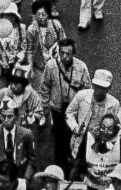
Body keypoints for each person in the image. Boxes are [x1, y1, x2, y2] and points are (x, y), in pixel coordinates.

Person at [39, 37, 91, 168]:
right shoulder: (51, 66)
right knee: (59, 137)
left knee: (75, 135)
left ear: (74, 53)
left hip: (74, 110)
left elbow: (87, 89)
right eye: (62, 53)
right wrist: (45, 106)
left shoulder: (81, 67)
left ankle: (74, 162)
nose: (64, 57)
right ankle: (60, 165)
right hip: (57, 109)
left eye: (68, 53)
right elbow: (44, 87)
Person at [0, 100, 37, 182]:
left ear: (16, 116)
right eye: (3, 116)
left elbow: (33, 160)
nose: (6, 120)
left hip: (20, 178)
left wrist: (25, 179)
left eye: (9, 116)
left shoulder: (26, 134)